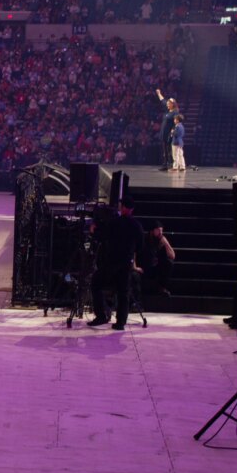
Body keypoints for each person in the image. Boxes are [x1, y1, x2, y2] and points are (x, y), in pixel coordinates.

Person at [88, 196, 145, 331]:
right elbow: (140, 246)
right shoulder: (137, 225)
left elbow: (102, 236)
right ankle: (120, 322)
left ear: (123, 207)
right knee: (123, 292)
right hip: (126, 263)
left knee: (96, 283)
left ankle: (101, 315)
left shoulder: (115, 222)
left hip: (112, 262)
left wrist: (93, 231)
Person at [136, 220, 175, 296]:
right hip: (143, 267)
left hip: (155, 268)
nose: (160, 233)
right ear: (152, 231)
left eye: (161, 230)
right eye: (158, 230)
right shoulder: (144, 239)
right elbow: (135, 252)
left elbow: (172, 256)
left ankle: (162, 288)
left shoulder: (161, 240)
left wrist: (166, 243)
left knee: (169, 263)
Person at [155, 89, 179, 171]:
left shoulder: (175, 112)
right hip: (164, 134)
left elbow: (176, 123)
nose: (167, 105)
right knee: (164, 150)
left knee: (170, 150)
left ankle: (171, 165)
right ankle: (165, 165)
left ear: (173, 104)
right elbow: (162, 100)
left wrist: (173, 130)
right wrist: (159, 93)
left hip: (169, 135)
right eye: (167, 104)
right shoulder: (167, 111)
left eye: (169, 104)